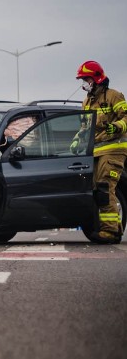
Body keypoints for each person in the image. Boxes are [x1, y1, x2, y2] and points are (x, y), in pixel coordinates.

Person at [75, 61, 127, 243]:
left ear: (96, 78)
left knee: (105, 188)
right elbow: (84, 127)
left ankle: (111, 232)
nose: (84, 83)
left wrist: (116, 127)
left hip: (114, 149)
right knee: (96, 191)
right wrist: (76, 140)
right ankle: (109, 229)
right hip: (95, 151)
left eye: (86, 79)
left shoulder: (114, 96)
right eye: (82, 80)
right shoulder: (87, 101)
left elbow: (126, 117)